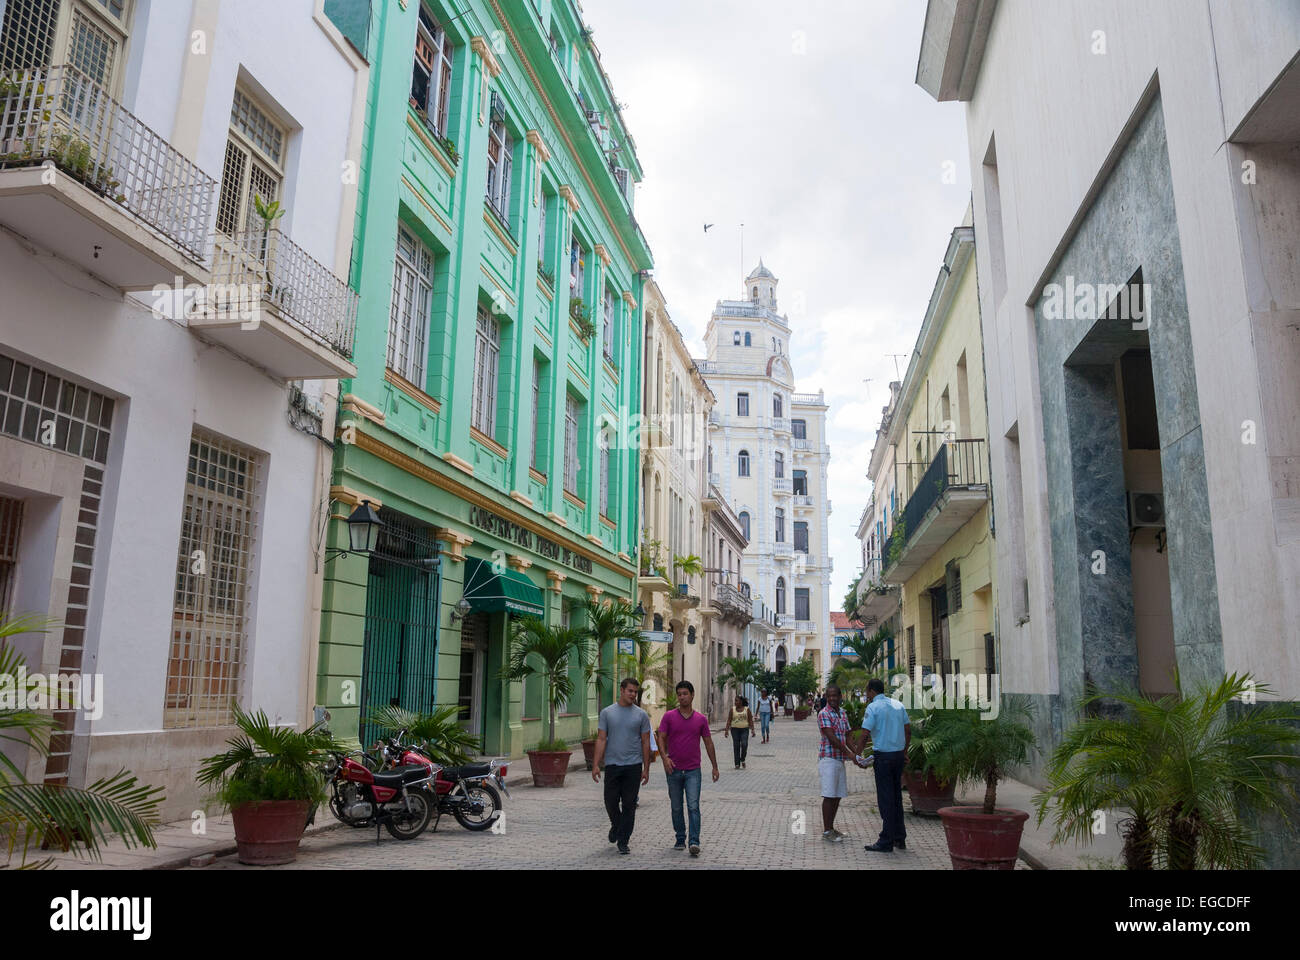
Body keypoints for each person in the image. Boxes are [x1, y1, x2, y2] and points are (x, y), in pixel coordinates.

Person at [657, 680, 719, 857]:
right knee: (676, 806)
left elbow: (708, 742)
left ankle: (694, 841)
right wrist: (664, 758)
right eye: (679, 694)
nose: (682, 697)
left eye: (685, 693)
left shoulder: (701, 719)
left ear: (692, 695)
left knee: (693, 806)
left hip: (693, 770)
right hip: (673, 769)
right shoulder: (669, 717)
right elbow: (661, 737)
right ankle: (679, 837)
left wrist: (715, 766)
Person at [850, 677, 911, 853]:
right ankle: (900, 837)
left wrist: (857, 755)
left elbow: (864, 734)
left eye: (867, 691)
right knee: (897, 797)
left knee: (886, 799)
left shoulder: (873, 707)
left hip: (883, 758)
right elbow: (908, 730)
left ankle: (886, 840)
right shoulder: (898, 705)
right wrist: (905, 752)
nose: (867, 695)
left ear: (871, 691)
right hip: (898, 756)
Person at [592, 677, 651, 854]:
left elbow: (645, 742)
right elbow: (601, 739)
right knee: (610, 801)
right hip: (612, 765)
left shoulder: (641, 715)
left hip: (633, 766)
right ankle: (616, 826)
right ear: (622, 690)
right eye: (630, 691)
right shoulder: (607, 713)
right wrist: (595, 764)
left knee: (629, 804)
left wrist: (646, 768)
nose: (633, 694)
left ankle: (623, 840)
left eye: (635, 692)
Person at [817, 685, 865, 842]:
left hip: (839, 760)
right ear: (826, 697)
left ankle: (831, 828)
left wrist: (857, 755)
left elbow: (848, 737)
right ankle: (826, 831)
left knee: (837, 796)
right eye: (829, 696)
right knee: (829, 795)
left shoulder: (842, 713)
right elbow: (832, 738)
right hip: (828, 759)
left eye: (835, 696)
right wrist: (850, 754)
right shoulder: (824, 714)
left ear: (840, 696)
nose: (832, 699)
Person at [722, 694, 755, 769]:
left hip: (744, 729)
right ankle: (737, 763)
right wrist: (726, 730)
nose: (735, 702)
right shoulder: (732, 710)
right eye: (735, 701)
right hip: (734, 730)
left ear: (741, 701)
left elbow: (750, 720)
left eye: (736, 701)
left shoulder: (747, 709)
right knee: (736, 746)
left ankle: (742, 759)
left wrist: (752, 730)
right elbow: (729, 720)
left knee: (744, 744)